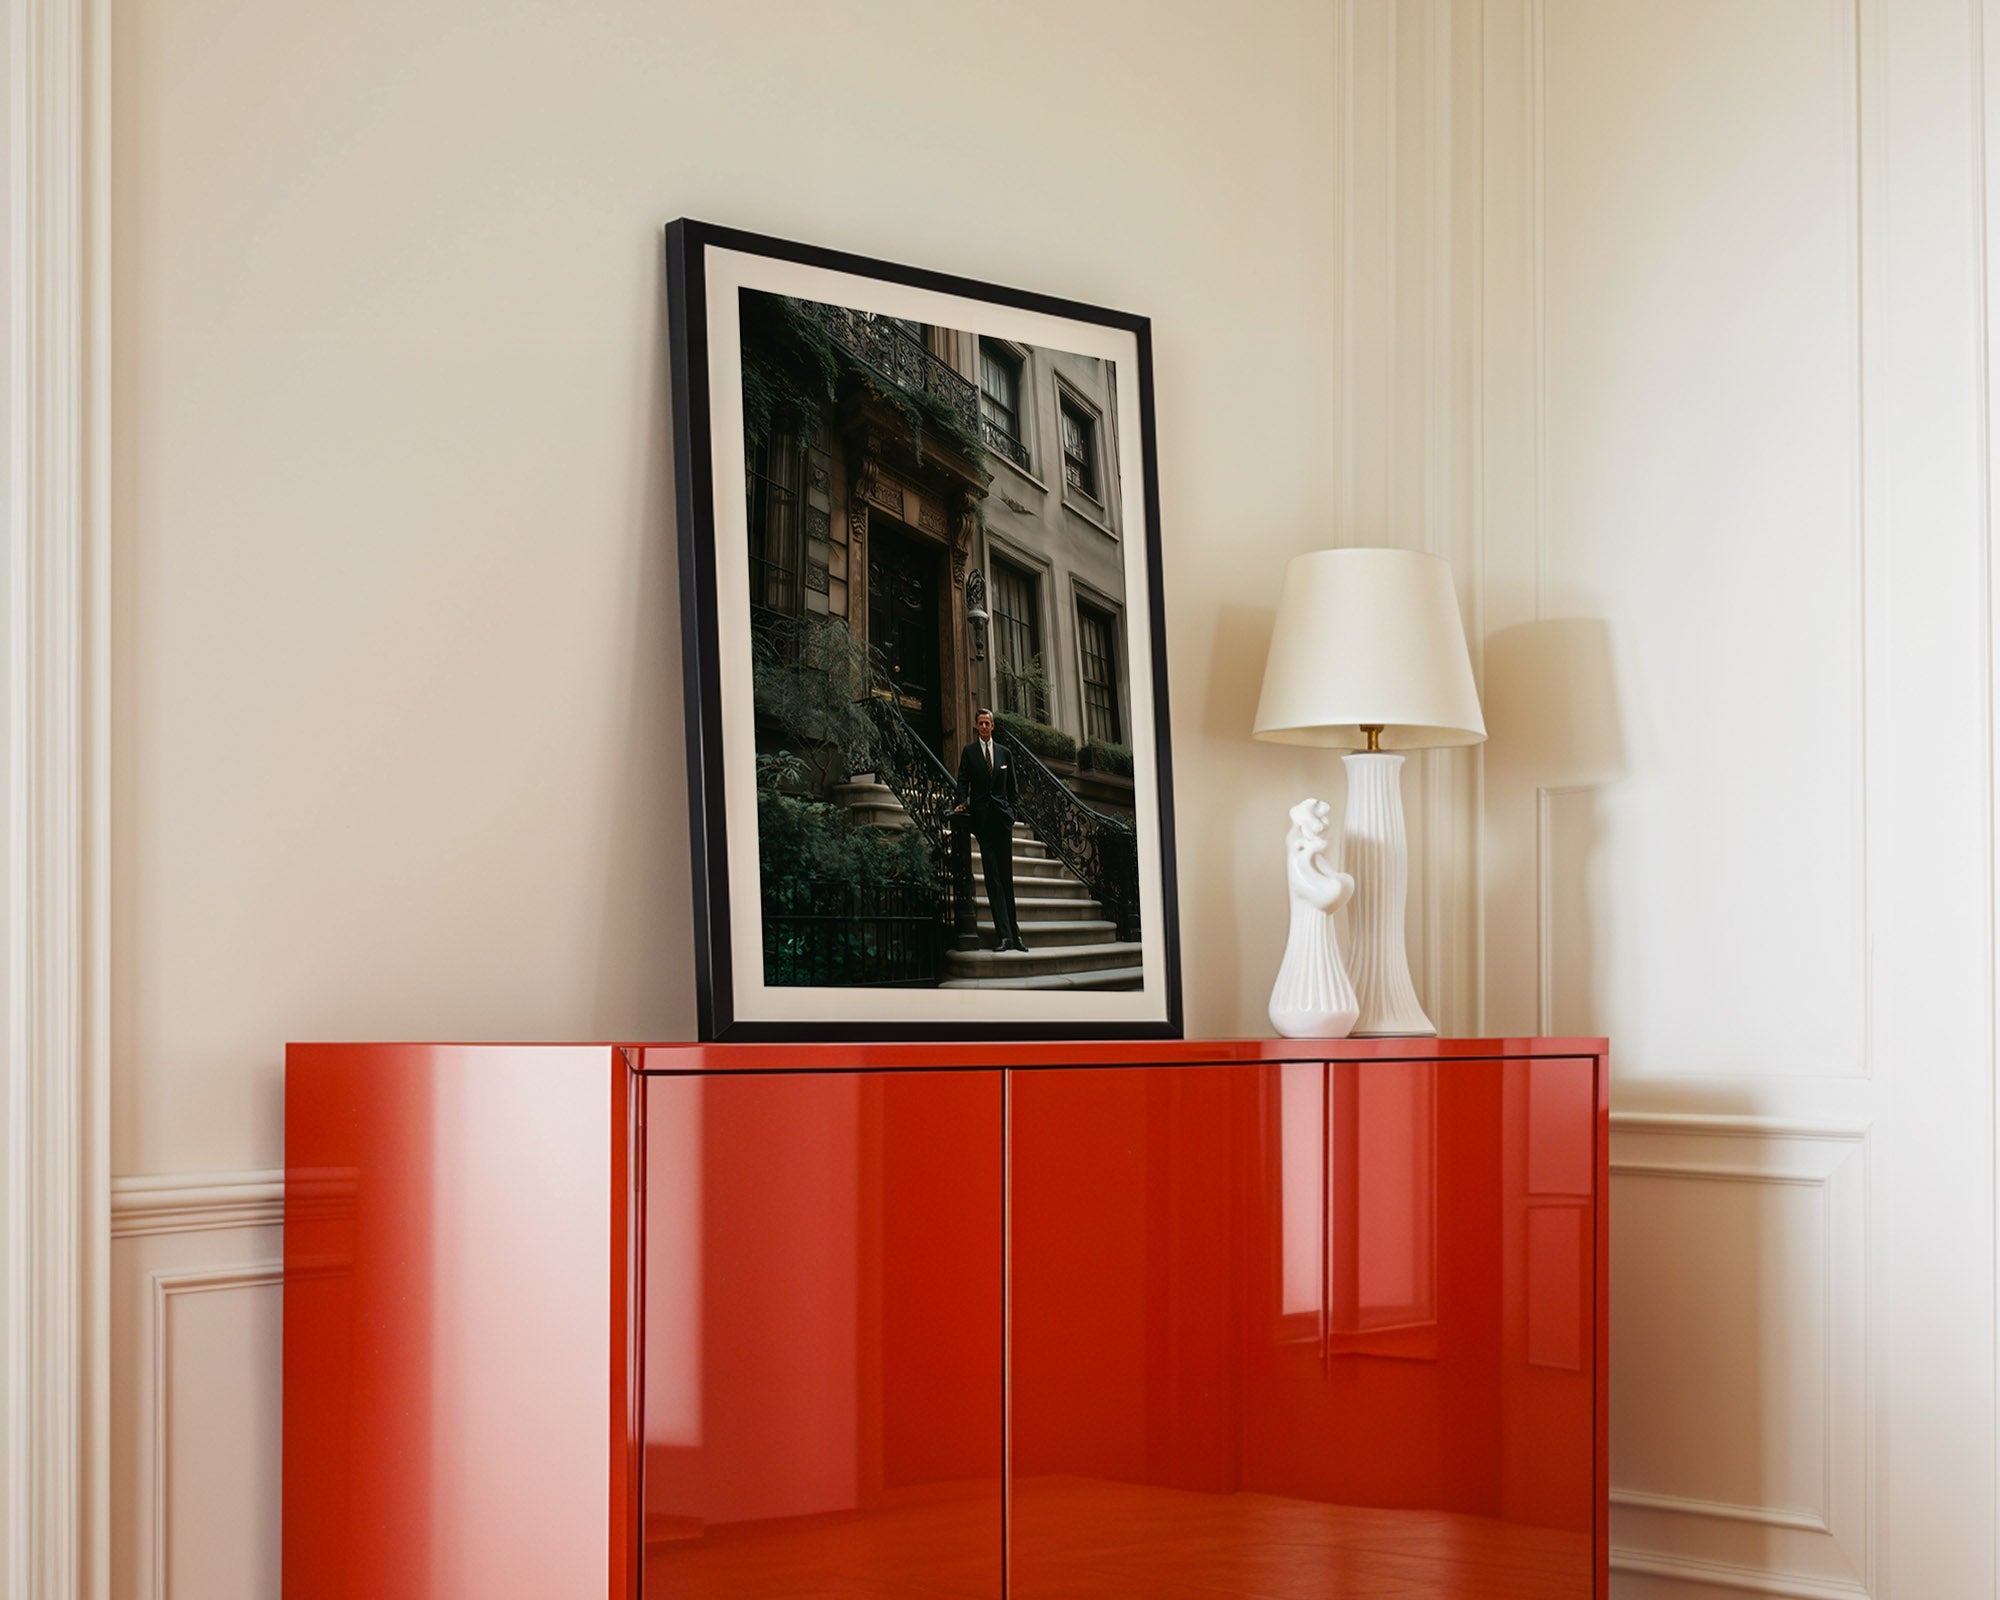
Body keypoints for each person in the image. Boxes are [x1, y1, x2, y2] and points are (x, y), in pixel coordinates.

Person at [953, 708, 1029, 952]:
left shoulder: (1004, 753)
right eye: (981, 724)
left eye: (988, 723)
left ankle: (1016, 935)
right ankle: (1004, 936)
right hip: (983, 822)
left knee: (1006, 879)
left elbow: (1014, 789)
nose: (984, 727)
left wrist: (1012, 811)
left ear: (993, 726)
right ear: (976, 726)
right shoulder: (970, 752)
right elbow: (963, 780)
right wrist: (963, 802)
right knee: (993, 879)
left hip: (1002, 821)